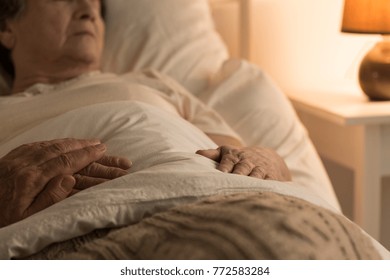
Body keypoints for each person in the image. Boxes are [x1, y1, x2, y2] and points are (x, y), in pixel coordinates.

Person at [0, 0, 291, 228]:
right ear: (7, 28)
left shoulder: (153, 82)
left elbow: (245, 158)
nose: (89, 10)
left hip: (219, 203)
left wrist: (270, 161)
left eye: (97, 7)